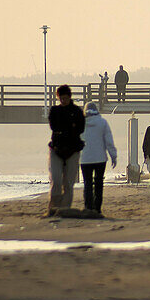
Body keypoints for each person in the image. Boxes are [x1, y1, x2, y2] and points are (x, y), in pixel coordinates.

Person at [47, 84, 85, 215]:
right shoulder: (54, 111)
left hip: (73, 150)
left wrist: (66, 131)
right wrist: (69, 129)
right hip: (56, 149)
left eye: (65, 98)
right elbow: (53, 126)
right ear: (58, 98)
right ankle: (53, 207)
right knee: (56, 180)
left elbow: (80, 128)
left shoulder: (77, 111)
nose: (63, 101)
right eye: (61, 98)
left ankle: (65, 209)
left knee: (69, 183)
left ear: (69, 97)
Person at [80, 102, 117, 213]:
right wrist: (113, 156)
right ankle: (97, 208)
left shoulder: (80, 124)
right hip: (100, 158)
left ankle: (88, 206)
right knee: (99, 183)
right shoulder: (102, 123)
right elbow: (108, 141)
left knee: (87, 183)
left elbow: (75, 141)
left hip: (85, 158)